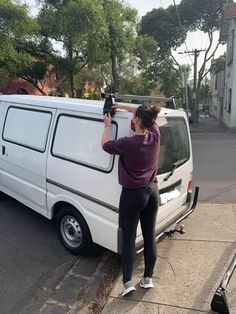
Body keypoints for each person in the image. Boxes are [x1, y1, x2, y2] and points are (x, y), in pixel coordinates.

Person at [101, 102, 161, 297]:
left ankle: (128, 283)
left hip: (132, 195)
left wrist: (107, 124)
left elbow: (104, 145)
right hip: (152, 191)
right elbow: (144, 111)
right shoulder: (155, 136)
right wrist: (121, 105)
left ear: (135, 120)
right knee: (149, 235)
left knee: (128, 238)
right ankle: (147, 278)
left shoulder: (127, 143)